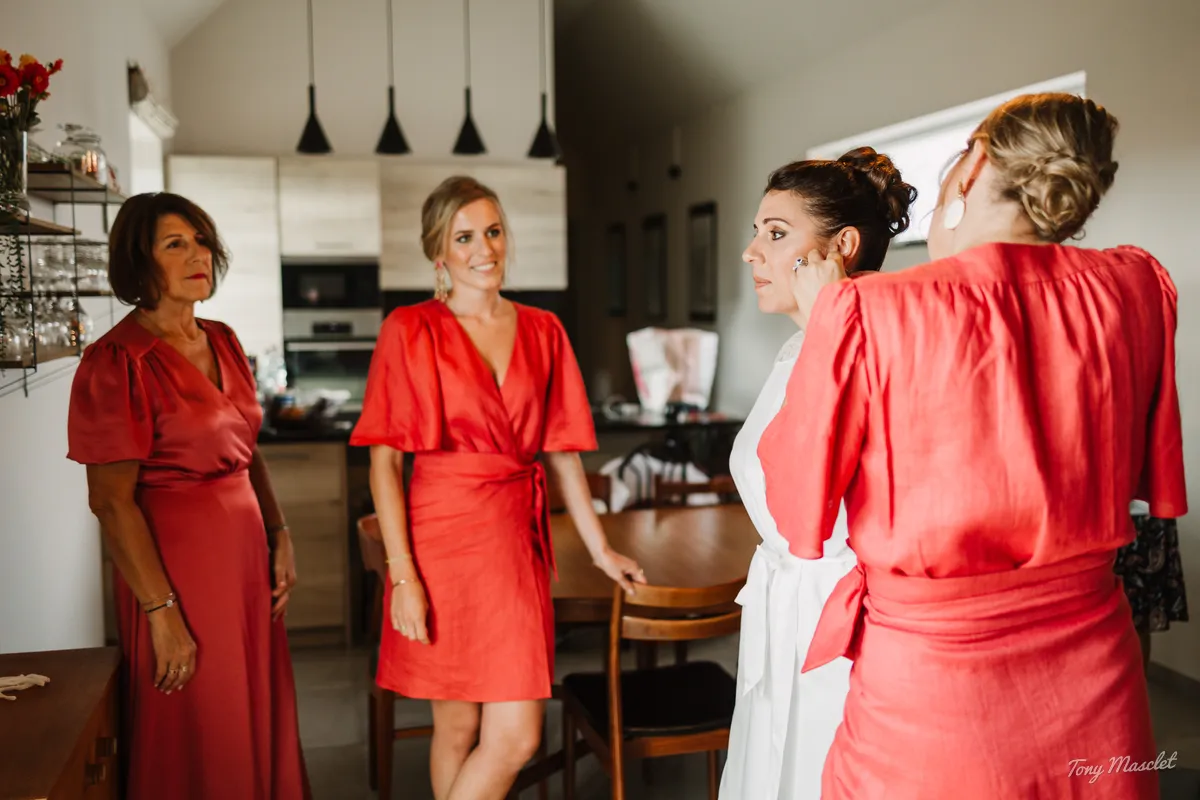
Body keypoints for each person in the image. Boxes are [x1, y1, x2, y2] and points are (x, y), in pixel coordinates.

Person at [758, 92, 1185, 799]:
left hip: (936, 699)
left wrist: (820, 329)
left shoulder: (867, 311)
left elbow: (797, 504)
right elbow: (1150, 470)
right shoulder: (1135, 285)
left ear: (973, 166)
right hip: (1097, 682)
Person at [350, 175, 646, 800]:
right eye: (465, 237)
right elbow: (384, 464)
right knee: (455, 726)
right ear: (440, 253)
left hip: (513, 547)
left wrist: (600, 550)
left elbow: (563, 455)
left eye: (492, 231)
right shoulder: (410, 329)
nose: (484, 248)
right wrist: (403, 576)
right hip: (437, 546)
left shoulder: (544, 329)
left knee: (514, 736)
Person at [67, 193, 311, 799]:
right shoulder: (116, 362)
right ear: (138, 262)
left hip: (247, 563)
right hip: (178, 572)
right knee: (200, 718)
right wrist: (162, 613)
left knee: (251, 705)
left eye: (201, 240)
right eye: (175, 244)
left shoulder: (225, 340)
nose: (198, 254)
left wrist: (279, 533)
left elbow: (248, 451)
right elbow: (110, 502)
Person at [720, 148, 915, 800]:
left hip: (837, 624)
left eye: (775, 234)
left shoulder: (866, 353)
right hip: (784, 606)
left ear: (843, 245)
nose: (752, 252)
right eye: (756, 232)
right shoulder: (797, 348)